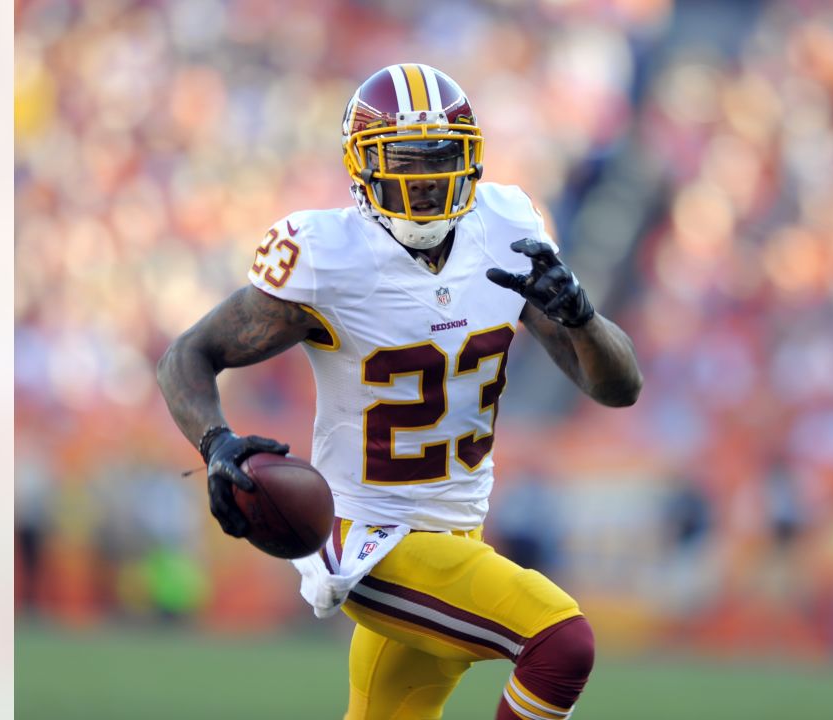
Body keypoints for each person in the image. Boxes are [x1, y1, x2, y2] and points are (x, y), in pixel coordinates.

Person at [156, 63, 643, 720]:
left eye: (442, 156)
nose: (426, 177)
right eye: (405, 159)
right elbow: (189, 353)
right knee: (560, 643)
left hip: (457, 533)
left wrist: (582, 319)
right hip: (369, 538)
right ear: (364, 167)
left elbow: (616, 388)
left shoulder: (506, 225)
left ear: (471, 158)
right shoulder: (326, 255)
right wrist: (216, 443)